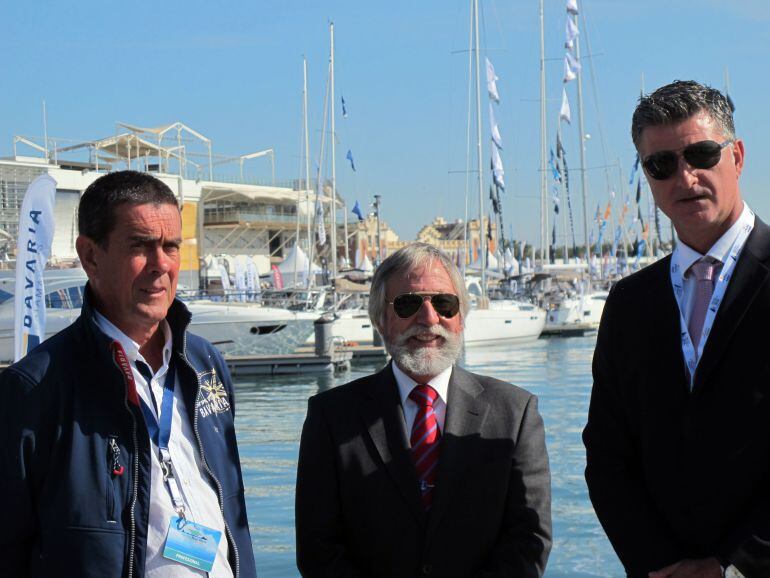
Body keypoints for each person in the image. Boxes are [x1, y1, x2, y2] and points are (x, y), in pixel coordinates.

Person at [0, 171, 257, 578]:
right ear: (91, 257)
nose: (160, 265)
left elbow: (230, 503)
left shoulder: (205, 363)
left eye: (170, 246)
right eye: (140, 246)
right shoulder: (35, 387)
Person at [584, 80, 770, 578]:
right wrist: (660, 564)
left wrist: (735, 565)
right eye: (661, 164)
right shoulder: (628, 303)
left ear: (737, 156)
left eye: (701, 154)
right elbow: (607, 453)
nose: (684, 178)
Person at [295, 242, 552, 577]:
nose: (429, 318)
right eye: (408, 304)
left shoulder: (515, 413)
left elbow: (529, 538)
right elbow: (318, 547)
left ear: (461, 318)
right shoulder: (331, 417)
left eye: (445, 303)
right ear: (380, 320)